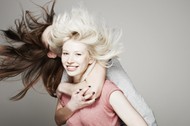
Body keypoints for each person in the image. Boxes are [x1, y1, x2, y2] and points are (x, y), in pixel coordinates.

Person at [0, 0, 157, 125]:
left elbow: (91, 91)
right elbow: (59, 118)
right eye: (53, 39)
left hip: (142, 119)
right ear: (52, 53)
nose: (60, 36)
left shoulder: (96, 56)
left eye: (57, 31)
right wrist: (68, 97)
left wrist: (63, 88)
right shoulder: (68, 71)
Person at [48, 8, 148, 126]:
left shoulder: (107, 90)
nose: (69, 60)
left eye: (78, 54)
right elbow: (58, 120)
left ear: (91, 58)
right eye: (66, 53)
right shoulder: (67, 89)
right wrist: (73, 105)